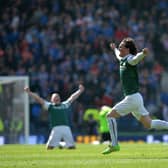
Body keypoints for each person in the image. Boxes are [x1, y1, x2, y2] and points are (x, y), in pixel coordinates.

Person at [102, 37, 168, 154]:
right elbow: (118, 54)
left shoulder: (130, 59)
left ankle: (114, 144)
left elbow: (136, 59)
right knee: (149, 124)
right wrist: (114, 49)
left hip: (132, 98)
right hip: (136, 98)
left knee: (109, 116)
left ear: (127, 49)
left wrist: (143, 53)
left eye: (121, 45)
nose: (120, 47)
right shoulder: (122, 59)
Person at [24, 84, 85, 150]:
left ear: (60, 98)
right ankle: (60, 144)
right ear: (52, 100)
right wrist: (29, 93)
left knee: (72, 147)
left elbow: (72, 97)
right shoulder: (50, 106)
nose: (56, 98)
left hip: (66, 128)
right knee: (49, 148)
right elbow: (39, 99)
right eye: (55, 97)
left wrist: (80, 91)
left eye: (57, 97)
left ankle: (61, 144)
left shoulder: (65, 105)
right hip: (56, 128)